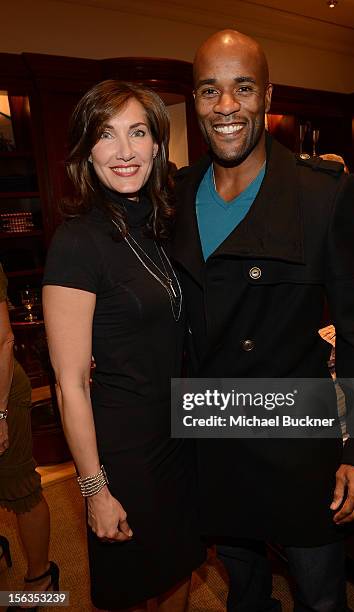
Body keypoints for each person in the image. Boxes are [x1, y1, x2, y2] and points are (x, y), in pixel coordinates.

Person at [171, 30, 354, 611]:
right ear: (193, 101)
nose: (225, 107)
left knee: (320, 595)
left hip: (295, 432)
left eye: (242, 88)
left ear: (268, 95)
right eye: (209, 91)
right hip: (211, 426)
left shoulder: (323, 194)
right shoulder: (175, 192)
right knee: (242, 585)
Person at [42, 80, 205, 611]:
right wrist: (95, 490)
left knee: (181, 570)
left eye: (137, 132)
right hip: (124, 454)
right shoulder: (77, 242)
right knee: (135, 590)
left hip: (179, 440)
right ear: (87, 151)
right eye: (106, 135)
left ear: (158, 144)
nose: (125, 151)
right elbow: (69, 386)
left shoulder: (163, 226)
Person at [0, 263, 58, 612]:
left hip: (2, 392)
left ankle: (41, 578)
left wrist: (0, 415)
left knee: (19, 486)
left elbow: (4, 340)